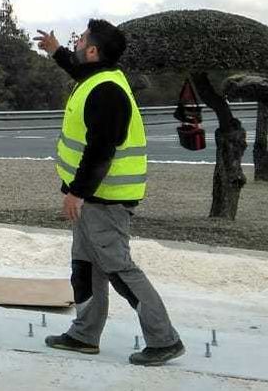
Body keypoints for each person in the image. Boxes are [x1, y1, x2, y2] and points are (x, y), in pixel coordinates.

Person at [36, 19, 183, 366]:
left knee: (118, 269)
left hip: (105, 197)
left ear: (92, 51)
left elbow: (102, 149)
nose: (77, 43)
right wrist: (56, 51)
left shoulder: (107, 90)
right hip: (92, 197)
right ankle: (84, 335)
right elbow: (77, 71)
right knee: (84, 268)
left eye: (82, 40)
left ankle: (164, 339)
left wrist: (77, 192)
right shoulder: (96, 79)